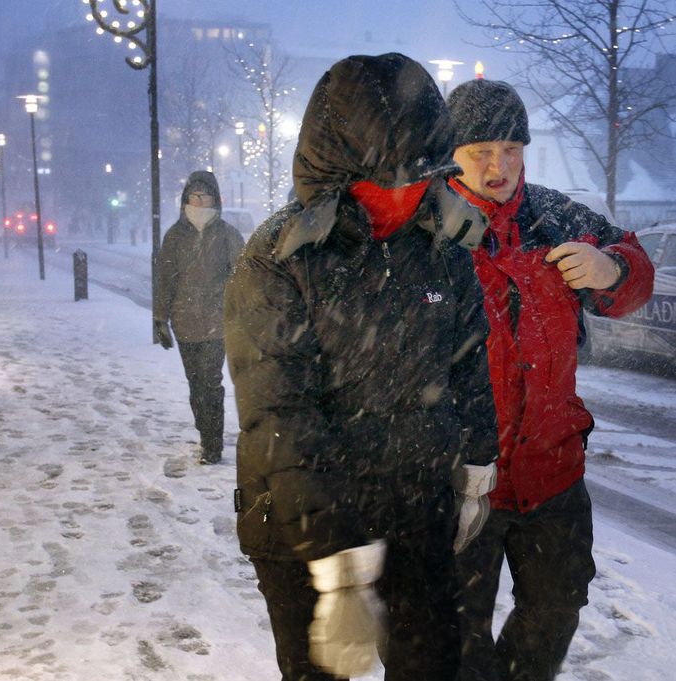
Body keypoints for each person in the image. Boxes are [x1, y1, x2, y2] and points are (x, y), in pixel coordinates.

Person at [224, 53, 499, 681]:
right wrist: (336, 566)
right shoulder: (277, 260)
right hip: (300, 519)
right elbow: (278, 415)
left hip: (414, 511)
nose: (401, 198)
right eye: (382, 181)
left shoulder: (442, 248)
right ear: (337, 171)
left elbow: (467, 366)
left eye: (417, 177)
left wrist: (478, 467)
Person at [445, 79, 655, 681]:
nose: (498, 165)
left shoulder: (555, 216)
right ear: (450, 152)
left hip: (552, 473)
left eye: (512, 148)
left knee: (555, 611)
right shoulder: (428, 230)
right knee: (455, 637)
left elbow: (634, 273)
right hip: (459, 482)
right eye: (481, 149)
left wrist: (611, 267)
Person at [154, 170, 244, 464]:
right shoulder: (176, 236)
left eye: (204, 194)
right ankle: (205, 433)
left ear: (215, 198)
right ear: (186, 198)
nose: (199, 199)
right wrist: (160, 319)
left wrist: (242, 314)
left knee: (212, 383)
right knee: (196, 386)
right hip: (185, 323)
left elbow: (242, 278)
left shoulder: (227, 234)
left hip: (218, 324)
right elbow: (165, 279)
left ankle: (213, 444)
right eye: (194, 194)